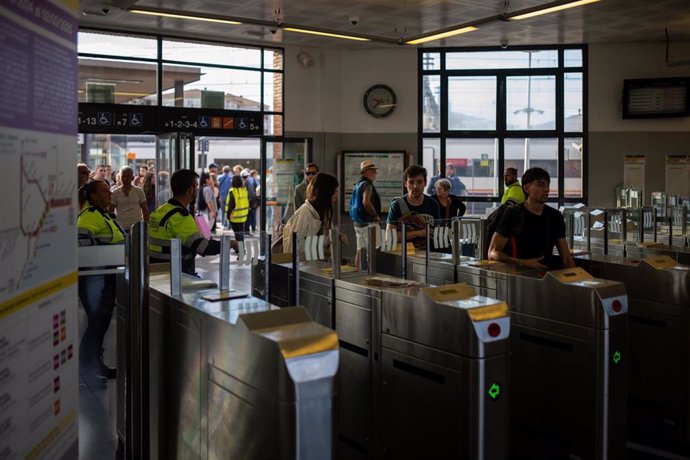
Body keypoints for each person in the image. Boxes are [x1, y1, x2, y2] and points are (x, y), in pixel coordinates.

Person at [77, 180, 125, 382]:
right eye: (105, 191)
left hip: (106, 278)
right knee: (97, 324)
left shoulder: (103, 216)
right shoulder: (89, 217)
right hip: (95, 279)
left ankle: (96, 365)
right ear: (93, 196)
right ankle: (87, 370)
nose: (109, 194)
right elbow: (82, 244)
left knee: (101, 323)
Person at [488, 167, 575, 270]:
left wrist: (576, 280)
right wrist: (522, 262)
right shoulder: (514, 213)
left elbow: (566, 257)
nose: (546, 189)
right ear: (526, 188)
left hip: (545, 278)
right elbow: (493, 253)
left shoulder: (555, 216)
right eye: (540, 185)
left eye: (547, 185)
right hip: (518, 277)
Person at [149, 169, 221, 275]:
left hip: (156, 272)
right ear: (190, 189)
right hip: (175, 275)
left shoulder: (162, 210)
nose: (197, 190)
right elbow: (203, 248)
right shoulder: (180, 217)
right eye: (196, 187)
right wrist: (231, 244)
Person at [283, 172, 343, 254]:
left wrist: (337, 236)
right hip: (302, 265)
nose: (337, 194)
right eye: (334, 191)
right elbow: (297, 248)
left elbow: (318, 241)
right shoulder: (305, 213)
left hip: (312, 263)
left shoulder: (321, 212)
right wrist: (323, 252)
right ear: (326, 192)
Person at [387, 165, 441, 249]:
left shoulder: (433, 204)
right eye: (411, 182)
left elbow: (438, 233)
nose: (415, 186)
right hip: (405, 254)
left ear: (425, 183)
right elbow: (389, 237)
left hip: (429, 253)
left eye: (419, 182)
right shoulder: (397, 205)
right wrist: (419, 233)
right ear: (405, 183)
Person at [349, 160, 381, 267]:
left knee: (359, 251)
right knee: (373, 251)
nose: (375, 173)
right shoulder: (367, 185)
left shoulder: (358, 185)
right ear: (365, 171)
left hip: (358, 223)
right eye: (373, 171)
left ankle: (357, 274)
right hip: (369, 223)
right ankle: (373, 275)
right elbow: (366, 202)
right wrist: (375, 215)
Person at [111, 166, 149, 232]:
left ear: (132, 178)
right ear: (120, 177)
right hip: (120, 227)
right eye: (123, 176)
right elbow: (111, 211)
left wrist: (146, 226)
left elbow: (145, 210)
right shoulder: (115, 192)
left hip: (137, 227)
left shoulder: (139, 191)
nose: (125, 178)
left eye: (128, 176)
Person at [225, 175, 249, 244]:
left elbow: (230, 205)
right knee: (240, 233)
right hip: (243, 216)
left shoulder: (232, 191)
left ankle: (240, 249)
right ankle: (241, 248)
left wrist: (228, 216)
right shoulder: (244, 190)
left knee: (238, 235)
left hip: (234, 217)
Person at [241, 168, 259, 234]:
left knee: (248, 215)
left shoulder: (246, 182)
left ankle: (247, 229)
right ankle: (252, 228)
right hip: (252, 201)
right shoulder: (252, 180)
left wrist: (249, 201)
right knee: (252, 215)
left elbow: (251, 193)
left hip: (249, 201)